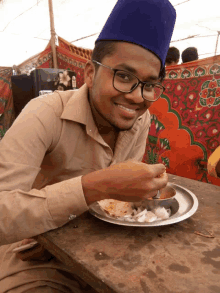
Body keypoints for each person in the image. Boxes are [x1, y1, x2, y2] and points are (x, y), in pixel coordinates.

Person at [0, 0, 176, 292]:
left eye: (148, 84)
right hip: (34, 259)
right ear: (90, 73)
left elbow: (116, 206)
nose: (136, 97)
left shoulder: (138, 121)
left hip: (103, 252)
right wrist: (93, 186)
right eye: (124, 76)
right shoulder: (44, 114)